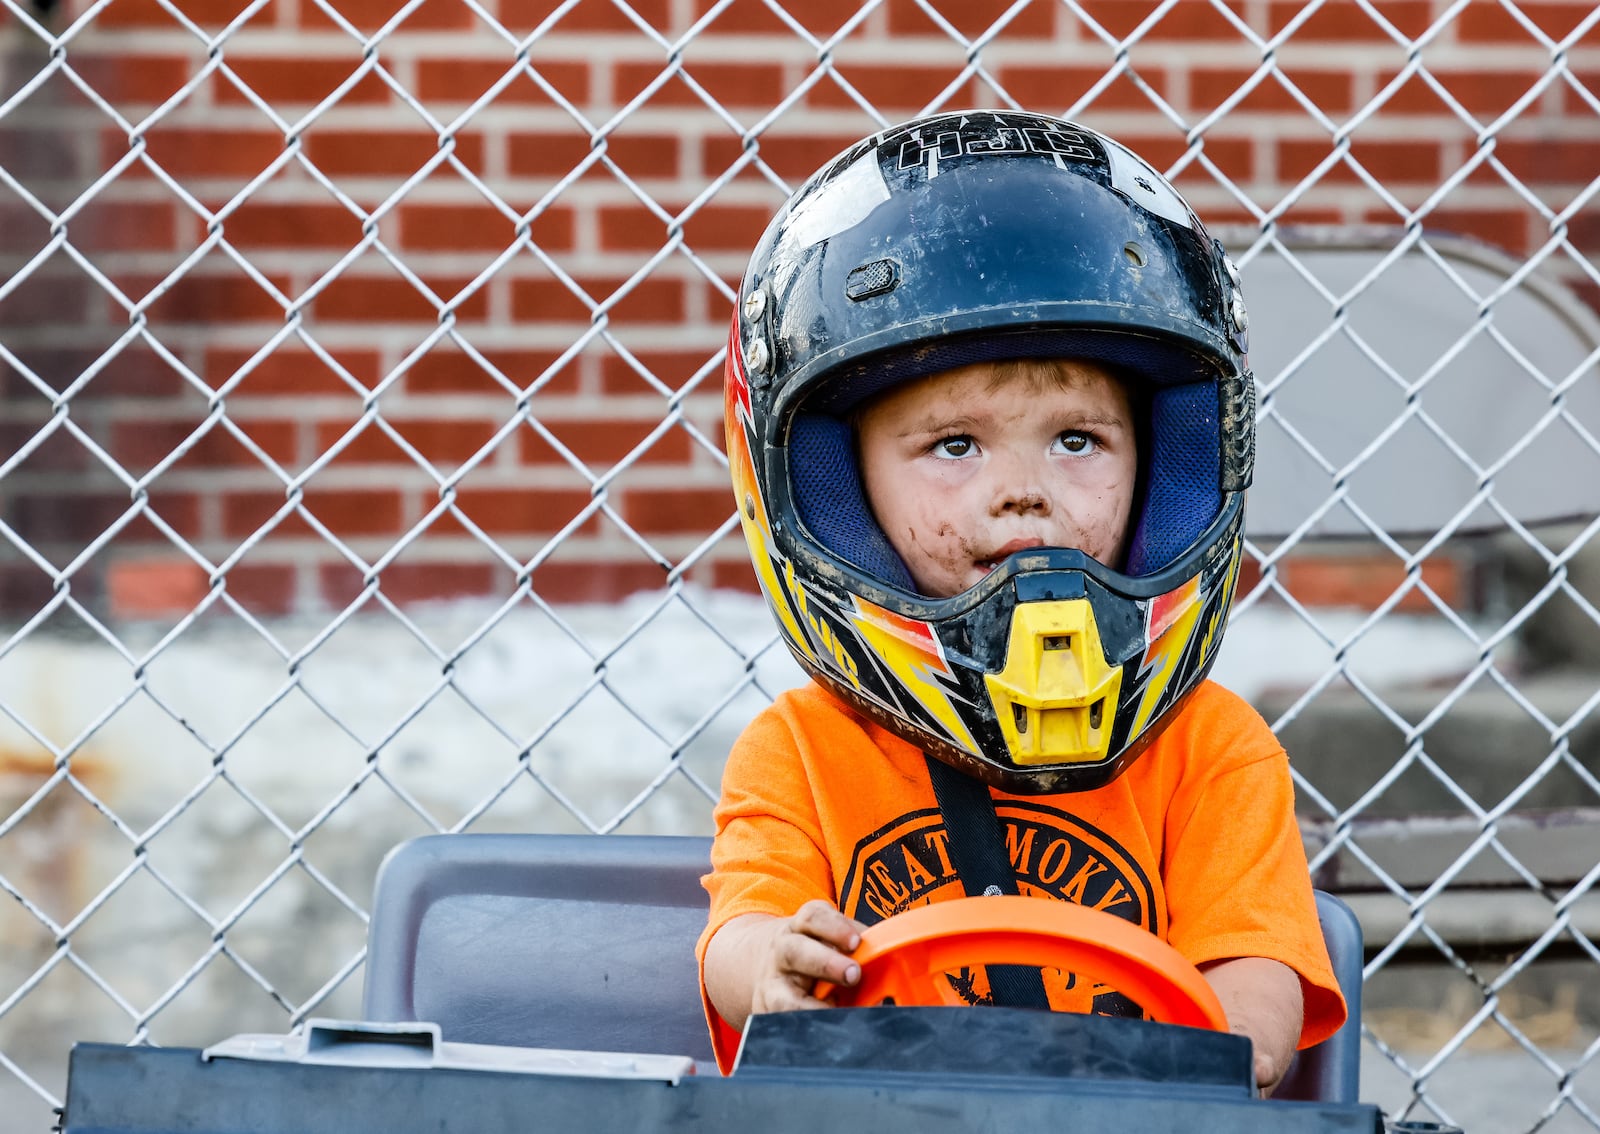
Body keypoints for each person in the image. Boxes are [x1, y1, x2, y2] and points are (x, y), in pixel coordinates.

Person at [697, 109, 1346, 1094]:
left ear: (1163, 463)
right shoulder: (800, 751)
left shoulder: (1213, 750)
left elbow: (1258, 1009)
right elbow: (738, 941)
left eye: (1075, 439)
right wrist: (776, 972)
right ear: (837, 491)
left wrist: (1215, 1046)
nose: (1024, 490)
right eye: (954, 445)